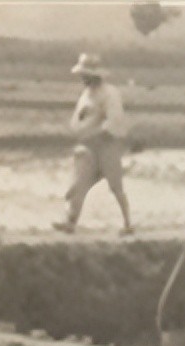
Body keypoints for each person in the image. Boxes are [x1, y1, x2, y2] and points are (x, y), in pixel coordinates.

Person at [54, 53, 133, 236]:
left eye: (85, 75)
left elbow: (113, 122)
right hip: (88, 147)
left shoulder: (110, 94)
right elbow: (79, 120)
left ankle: (127, 223)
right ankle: (70, 222)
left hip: (107, 145)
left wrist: (94, 135)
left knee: (115, 185)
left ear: (94, 75)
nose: (82, 79)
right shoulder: (86, 95)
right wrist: (78, 134)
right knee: (78, 184)